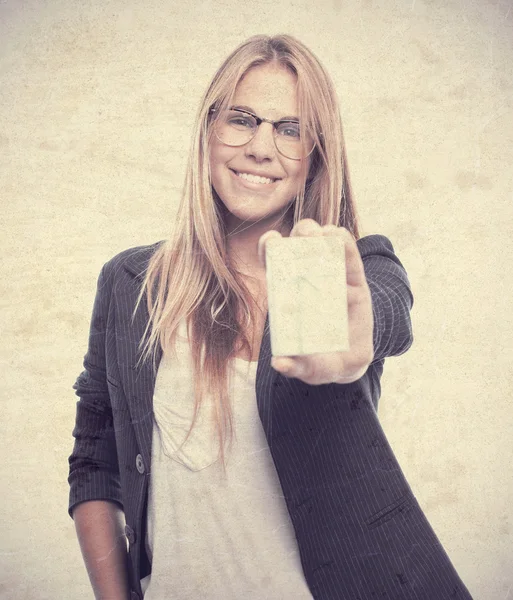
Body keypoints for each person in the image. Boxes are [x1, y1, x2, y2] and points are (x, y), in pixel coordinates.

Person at [68, 34, 473, 600]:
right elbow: (96, 458)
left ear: (316, 157)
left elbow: (386, 309)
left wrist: (359, 334)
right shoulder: (133, 284)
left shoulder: (349, 268)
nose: (262, 147)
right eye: (242, 119)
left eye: (290, 129)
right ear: (208, 132)